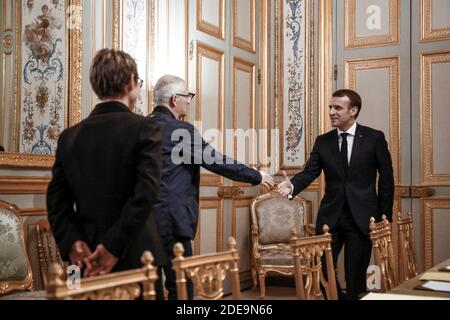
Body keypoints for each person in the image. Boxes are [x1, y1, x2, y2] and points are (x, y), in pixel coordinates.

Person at [47, 49, 167, 297]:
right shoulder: (145, 127)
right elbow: (145, 193)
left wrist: (72, 244)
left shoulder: (69, 137)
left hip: (82, 260)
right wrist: (112, 247)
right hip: (134, 252)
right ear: (131, 81)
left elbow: (57, 201)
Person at [148, 74, 275, 300]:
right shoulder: (181, 131)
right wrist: (256, 175)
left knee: (151, 287)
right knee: (182, 288)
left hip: (140, 219)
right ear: (174, 99)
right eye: (188, 96)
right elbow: (215, 160)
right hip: (172, 218)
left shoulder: (138, 127)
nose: (189, 101)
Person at [278, 89, 394, 300]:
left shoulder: (374, 138)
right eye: (330, 107)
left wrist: (384, 218)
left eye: (337, 108)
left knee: (355, 279)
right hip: (330, 219)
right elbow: (309, 172)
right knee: (321, 271)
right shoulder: (323, 141)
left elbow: (386, 180)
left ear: (353, 111)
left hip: (362, 218)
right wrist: (292, 186)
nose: (331, 112)